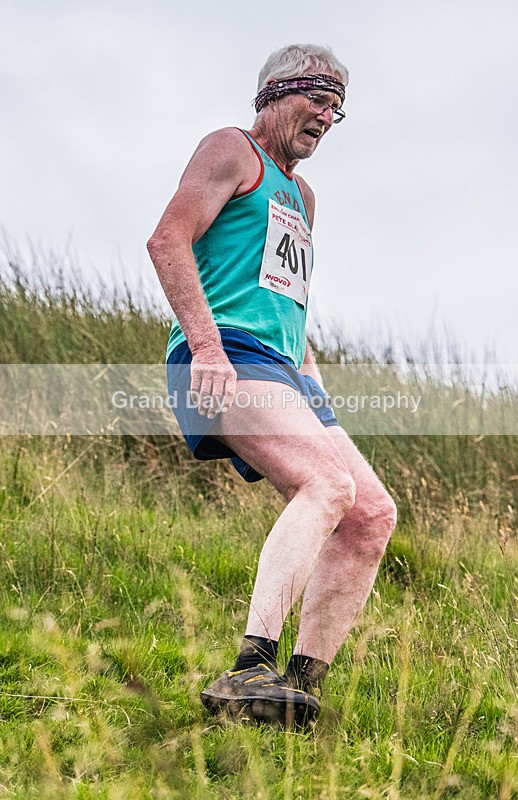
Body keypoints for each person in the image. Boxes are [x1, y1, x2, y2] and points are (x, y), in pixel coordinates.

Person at [147, 43, 397, 727]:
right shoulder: (232, 150)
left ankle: (295, 689)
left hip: (283, 366)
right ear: (276, 92)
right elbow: (168, 240)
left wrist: (315, 395)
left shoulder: (304, 197)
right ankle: (246, 668)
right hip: (224, 353)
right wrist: (203, 346)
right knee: (326, 485)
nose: (327, 115)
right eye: (318, 98)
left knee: (370, 514)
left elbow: (286, 302)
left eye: (337, 108)